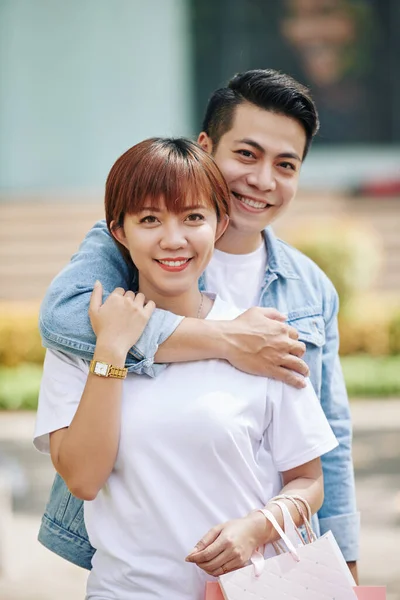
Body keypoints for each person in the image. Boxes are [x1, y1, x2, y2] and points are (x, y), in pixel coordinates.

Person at [38, 69, 359, 578]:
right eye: (247, 155)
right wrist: (227, 341)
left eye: (286, 164)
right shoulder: (121, 254)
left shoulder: (308, 287)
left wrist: (343, 566)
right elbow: (65, 318)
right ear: (206, 146)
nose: (262, 180)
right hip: (135, 569)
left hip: (262, 576)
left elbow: (327, 450)